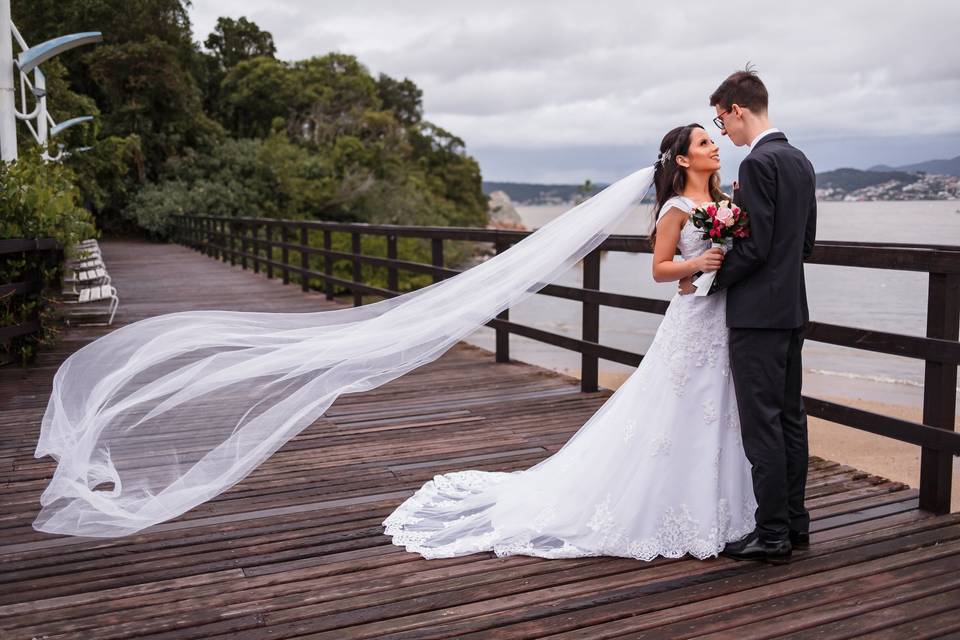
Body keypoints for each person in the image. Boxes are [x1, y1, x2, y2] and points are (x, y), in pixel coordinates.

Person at [381, 123, 762, 562]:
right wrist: (695, 263)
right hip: (694, 322)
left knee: (722, 409)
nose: (714, 146)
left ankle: (726, 510)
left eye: (712, 140)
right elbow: (659, 269)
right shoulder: (675, 208)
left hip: (725, 319)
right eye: (704, 142)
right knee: (678, 408)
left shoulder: (725, 204)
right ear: (682, 159)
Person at [703, 66, 817, 563]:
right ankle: (795, 524)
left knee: (762, 425)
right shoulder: (800, 161)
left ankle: (770, 535)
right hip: (792, 309)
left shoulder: (757, 165)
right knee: (791, 418)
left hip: (757, 317)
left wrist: (712, 279)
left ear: (738, 110)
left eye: (720, 120)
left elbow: (754, 247)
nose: (721, 131)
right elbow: (805, 243)